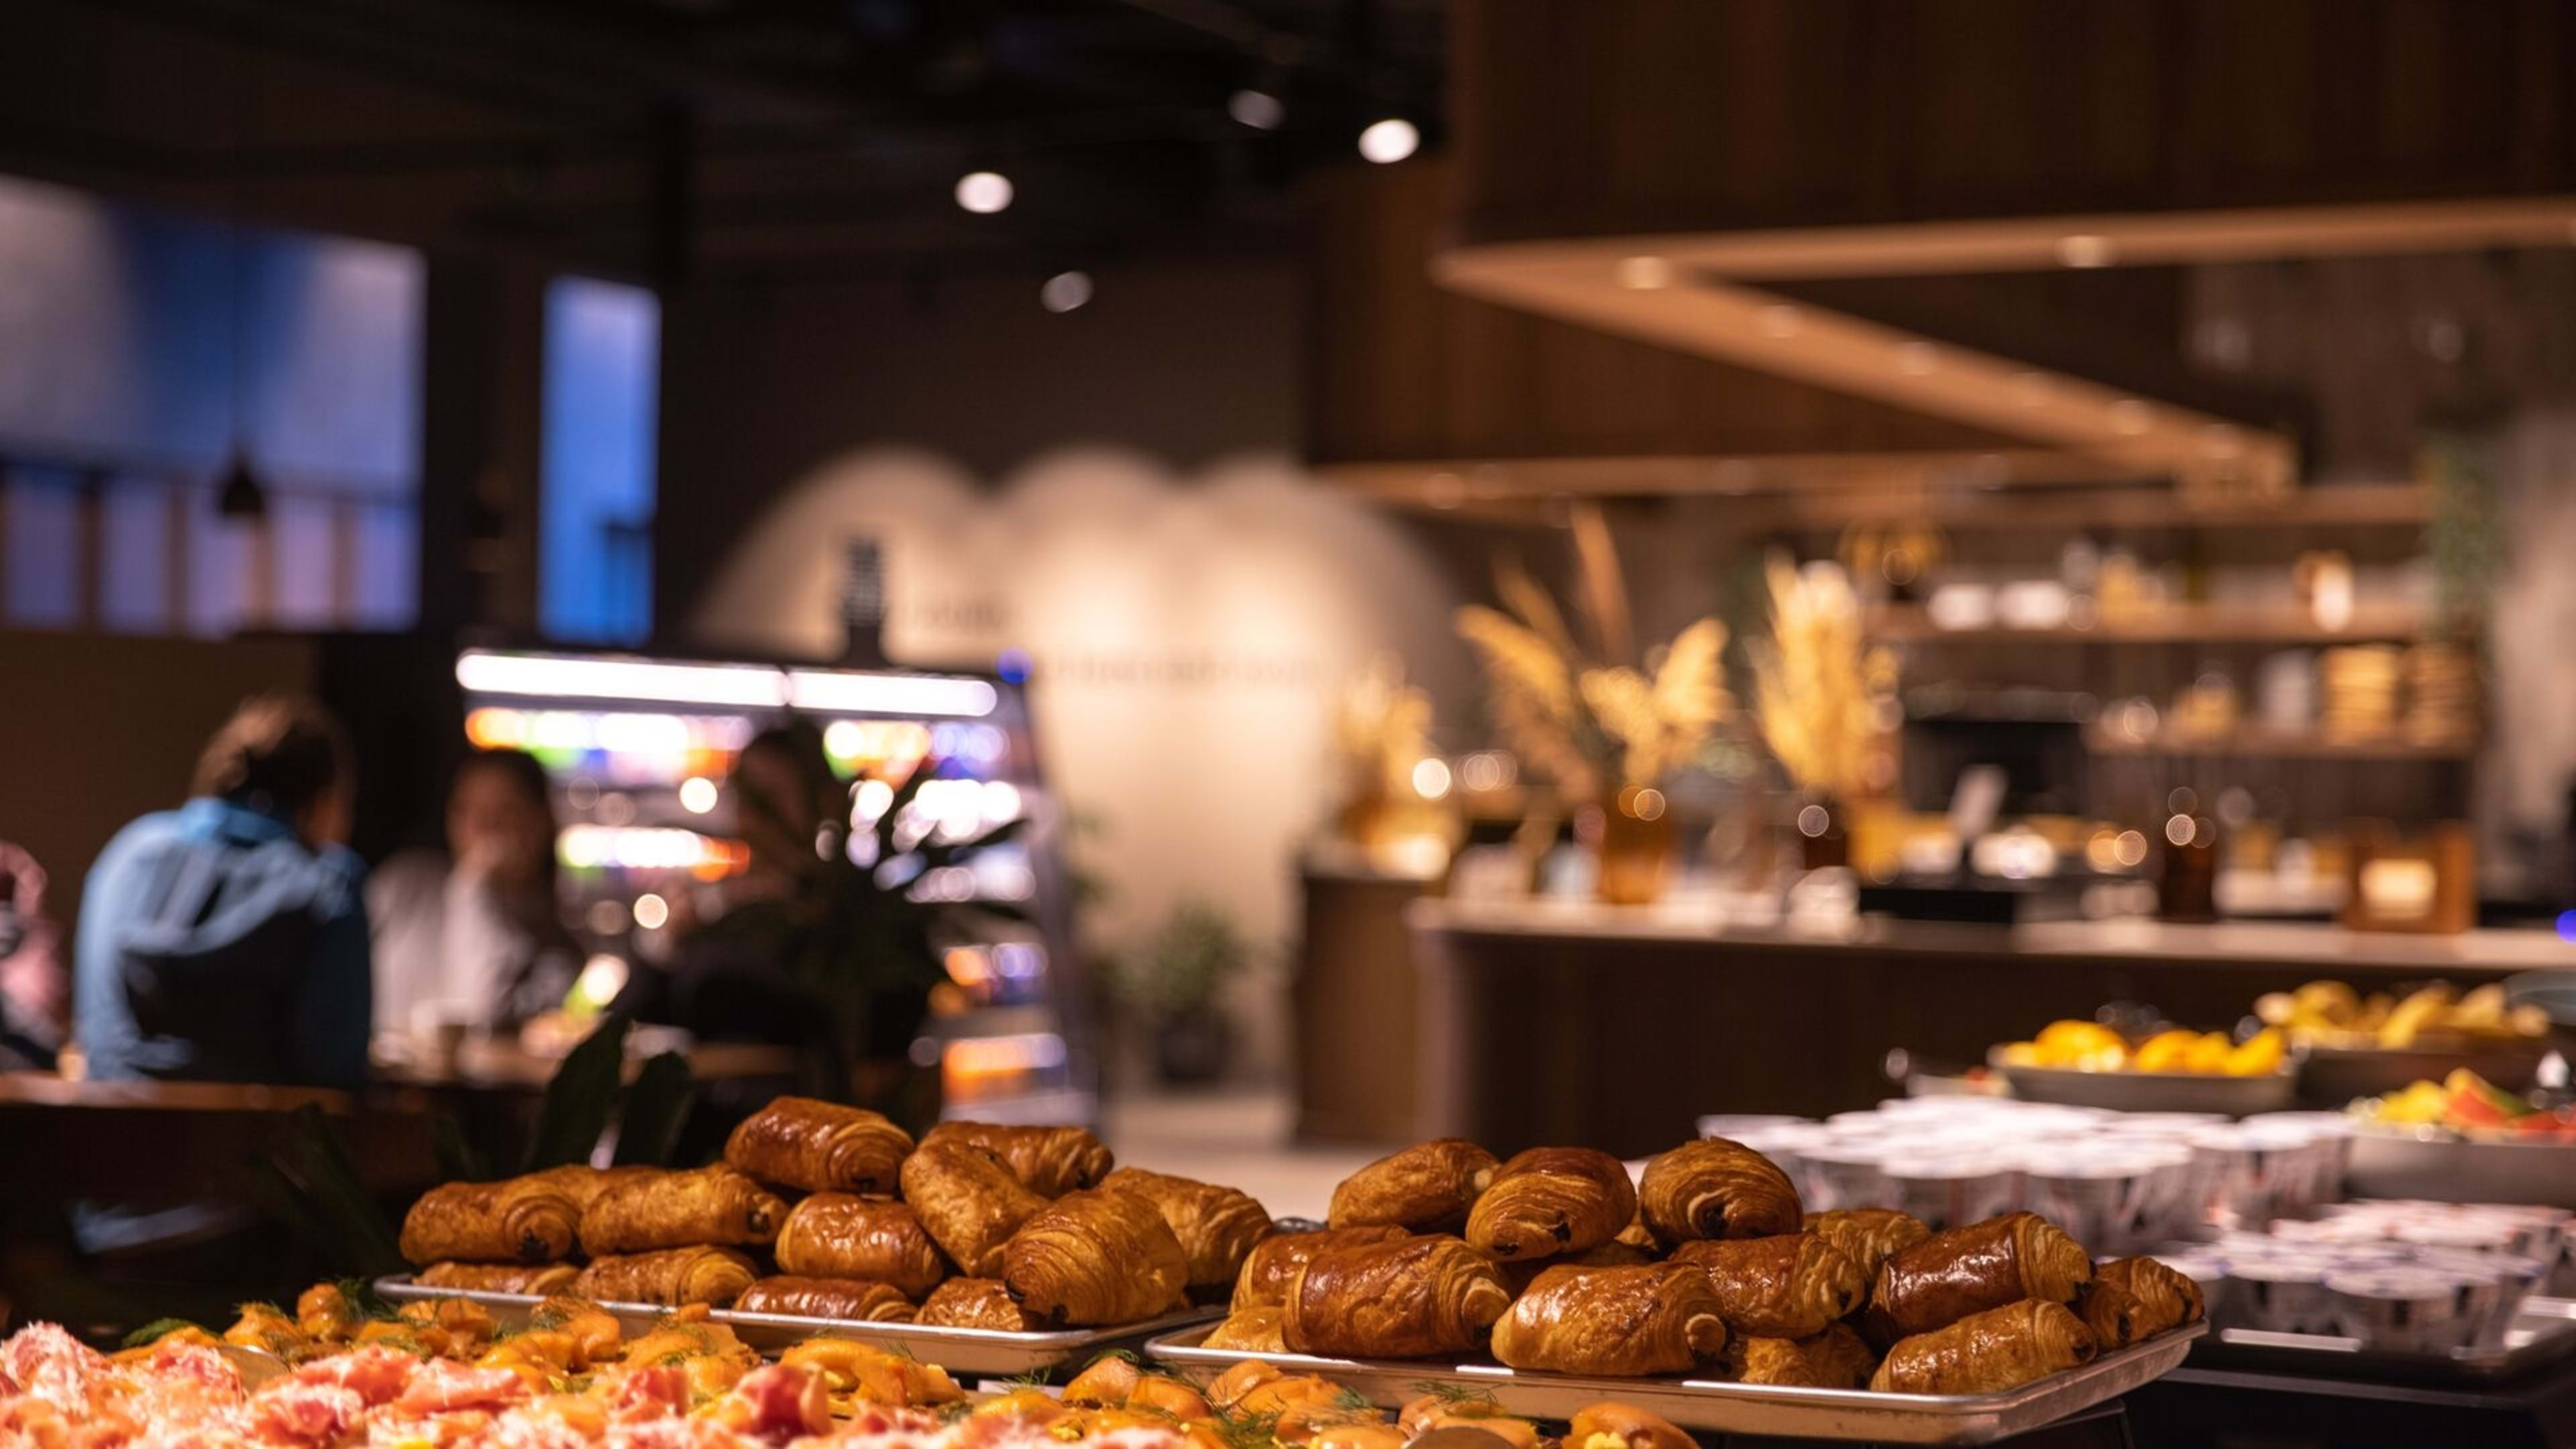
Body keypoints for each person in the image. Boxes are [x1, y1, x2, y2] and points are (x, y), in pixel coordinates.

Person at [74, 695, 370, 1089]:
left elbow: (98, 1037)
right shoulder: (329, 884)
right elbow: (336, 1068)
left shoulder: (130, 855)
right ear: (320, 803)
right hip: (257, 1144)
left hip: (107, 1140)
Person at [368, 749, 579, 1037]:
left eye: (504, 812)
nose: (481, 826)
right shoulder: (405, 883)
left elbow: (481, 1015)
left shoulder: (558, 951)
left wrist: (472, 887)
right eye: (465, 809)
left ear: (541, 824)